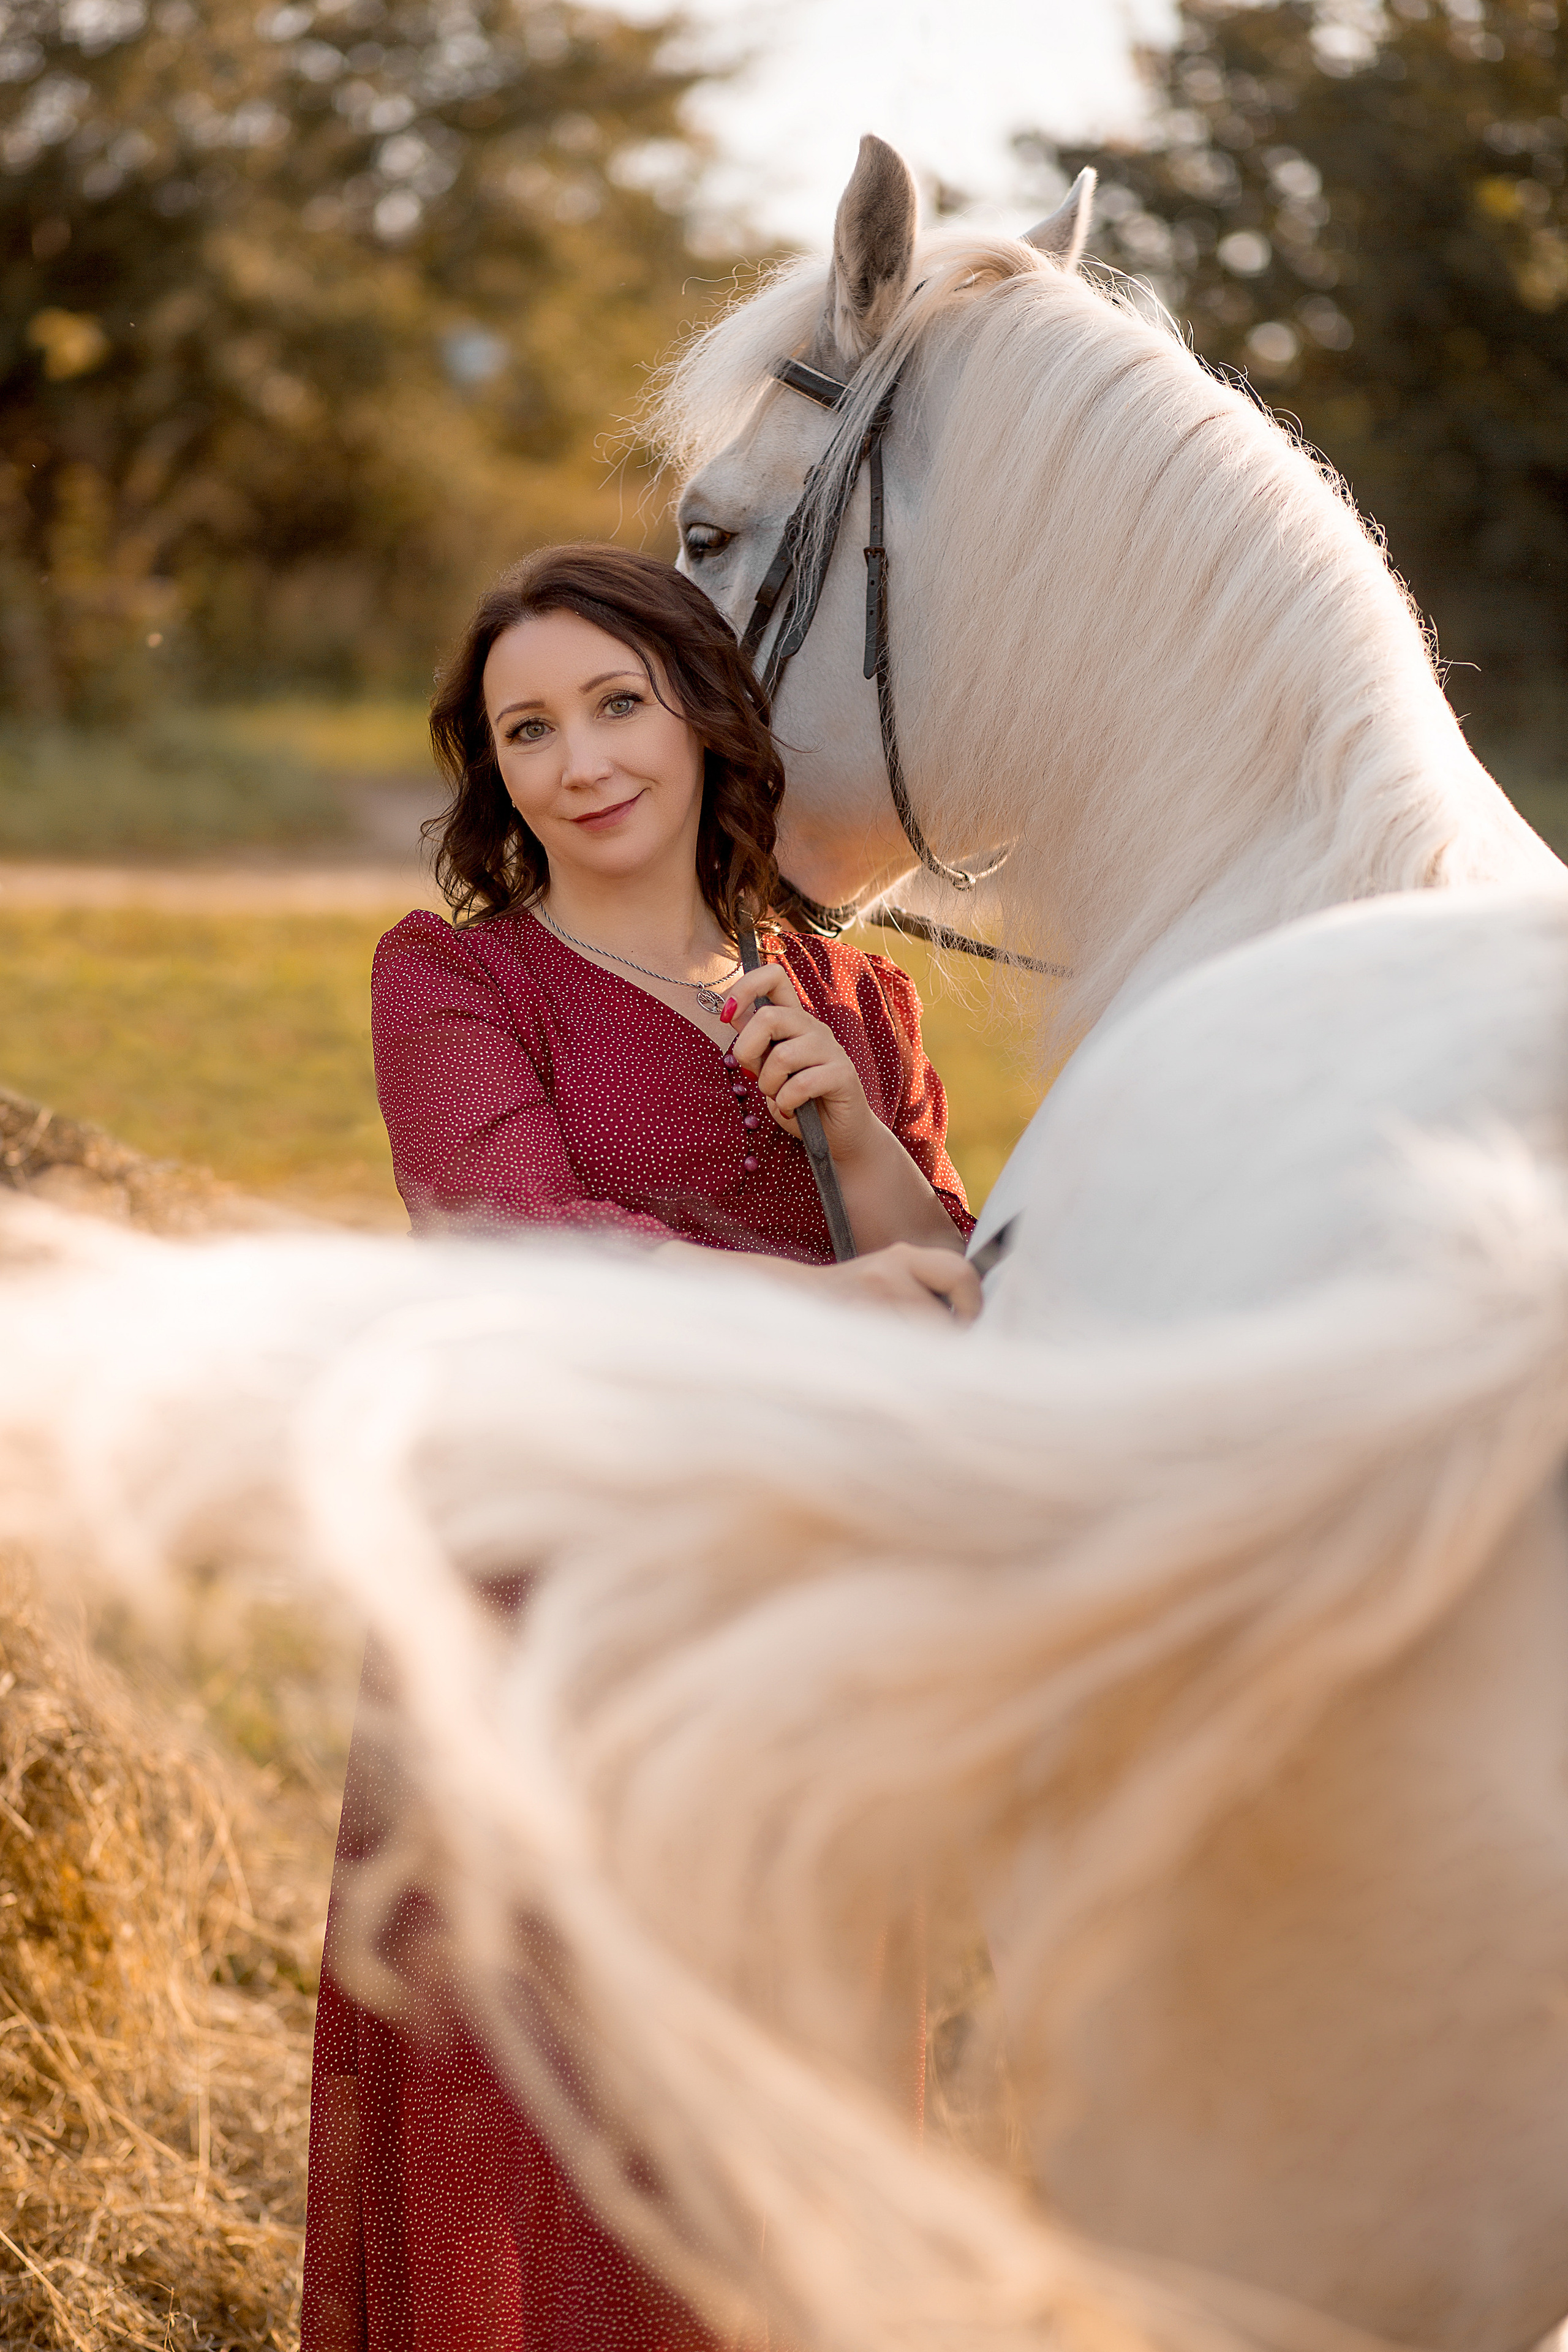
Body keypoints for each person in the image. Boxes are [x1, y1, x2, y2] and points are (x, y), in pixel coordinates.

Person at [299, 543, 978, 2352]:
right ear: (493, 771)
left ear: (699, 715)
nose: (581, 760)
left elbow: (955, 1309)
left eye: (617, 704)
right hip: (549, 1609)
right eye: (529, 729)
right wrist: (823, 1314)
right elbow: (511, 1247)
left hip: (794, 1617)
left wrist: (854, 1142)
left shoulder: (852, 1001)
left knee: (781, 2105)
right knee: (543, 2109)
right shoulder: (456, 980)